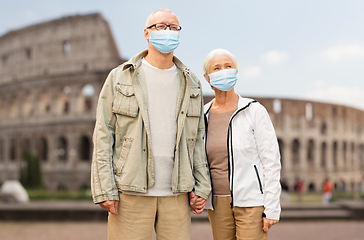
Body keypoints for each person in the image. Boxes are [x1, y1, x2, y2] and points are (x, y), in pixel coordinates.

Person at [91, 9, 211, 240]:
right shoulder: (119, 77)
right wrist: (105, 188)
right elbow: (104, 134)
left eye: (173, 27)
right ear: (146, 33)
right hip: (130, 191)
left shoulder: (192, 82)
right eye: (161, 26)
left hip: (177, 192)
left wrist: (201, 185)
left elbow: (197, 139)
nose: (168, 31)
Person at [192, 48, 281, 240]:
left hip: (251, 201)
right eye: (217, 68)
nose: (223, 71)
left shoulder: (254, 110)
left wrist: (272, 207)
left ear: (236, 72)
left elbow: (271, 161)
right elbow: (196, 160)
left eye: (228, 66)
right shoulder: (202, 115)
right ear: (207, 77)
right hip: (217, 202)